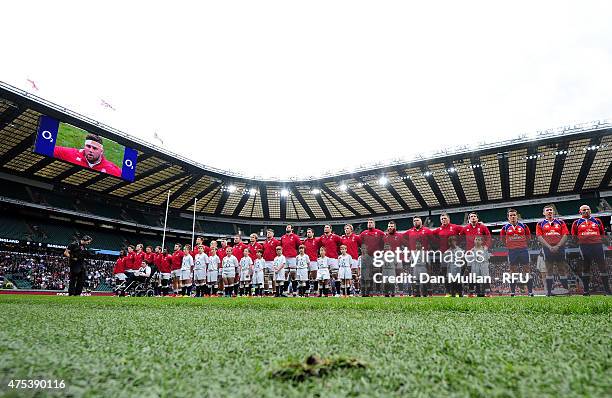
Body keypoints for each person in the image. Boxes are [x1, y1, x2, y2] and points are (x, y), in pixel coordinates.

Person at [571, 205, 609, 295]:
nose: (586, 211)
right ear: (580, 212)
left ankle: (607, 290)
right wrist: (582, 241)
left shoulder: (597, 221)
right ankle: (586, 291)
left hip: (598, 246)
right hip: (584, 246)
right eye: (584, 210)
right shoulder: (576, 223)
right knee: (586, 267)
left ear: (590, 211)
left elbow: (602, 233)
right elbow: (574, 236)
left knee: (602, 267)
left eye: (588, 209)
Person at [536, 205, 570, 296]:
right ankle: (549, 292)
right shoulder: (540, 224)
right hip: (547, 248)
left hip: (560, 248)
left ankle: (566, 291)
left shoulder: (560, 222)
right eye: (547, 210)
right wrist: (549, 247)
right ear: (544, 213)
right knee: (549, 269)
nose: (549, 211)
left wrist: (558, 246)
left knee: (562, 268)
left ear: (553, 212)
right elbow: (539, 237)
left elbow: (565, 234)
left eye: (551, 210)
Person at [53, 133, 122, 177]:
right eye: (88, 146)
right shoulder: (71, 154)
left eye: (95, 148)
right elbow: (47, 148)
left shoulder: (111, 168)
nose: (91, 150)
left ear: (101, 151)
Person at [500, 209, 533, 296]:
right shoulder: (505, 228)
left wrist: (521, 244)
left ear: (517, 216)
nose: (513, 217)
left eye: (514, 215)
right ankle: (513, 292)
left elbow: (528, 238)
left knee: (526, 270)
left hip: (523, 250)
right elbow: (503, 240)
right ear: (508, 217)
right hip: (512, 251)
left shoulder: (524, 226)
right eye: (511, 215)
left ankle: (530, 292)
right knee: (513, 271)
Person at [281, 224, 302, 295]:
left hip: (292, 257)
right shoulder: (283, 237)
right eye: (287, 227)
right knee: (285, 275)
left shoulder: (295, 237)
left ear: (292, 229)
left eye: (289, 227)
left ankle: (295, 291)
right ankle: (285, 291)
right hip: (285, 257)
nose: (287, 228)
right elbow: (280, 246)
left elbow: (299, 246)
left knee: (293, 274)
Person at [303, 228, 320, 295]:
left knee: (314, 276)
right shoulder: (305, 241)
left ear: (313, 233)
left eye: (309, 232)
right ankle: (307, 290)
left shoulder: (316, 241)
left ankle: (316, 290)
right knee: (306, 276)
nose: (308, 233)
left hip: (313, 260)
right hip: (306, 261)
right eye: (307, 232)